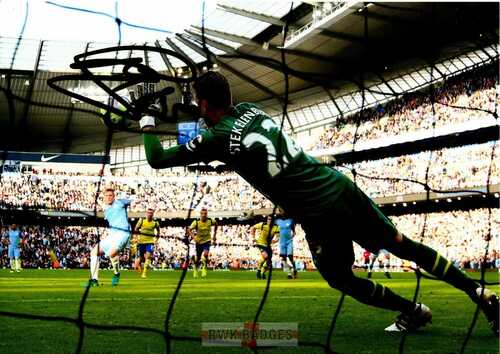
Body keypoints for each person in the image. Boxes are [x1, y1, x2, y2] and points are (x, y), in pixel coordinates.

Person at [139, 71, 498, 334]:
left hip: (317, 210)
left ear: (202, 103)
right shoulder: (250, 109)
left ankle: (413, 311)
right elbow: (224, 124)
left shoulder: (216, 139)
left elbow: (157, 158)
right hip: (339, 187)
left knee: (340, 278)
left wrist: (147, 119)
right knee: (402, 244)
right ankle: (478, 291)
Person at [88, 188, 132, 287]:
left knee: (112, 253)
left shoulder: (120, 203)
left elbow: (132, 199)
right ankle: (94, 280)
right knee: (94, 252)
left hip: (124, 233)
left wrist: (133, 200)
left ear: (114, 196)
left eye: (110, 195)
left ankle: (116, 273)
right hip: (112, 235)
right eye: (106, 195)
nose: (108, 197)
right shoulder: (105, 209)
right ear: (104, 197)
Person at [189, 208, 218, 278]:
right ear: (200, 214)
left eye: (205, 214)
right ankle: (196, 269)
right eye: (202, 214)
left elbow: (216, 224)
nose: (204, 215)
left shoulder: (210, 221)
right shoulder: (196, 222)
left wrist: (214, 235)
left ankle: (204, 267)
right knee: (198, 258)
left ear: (207, 214)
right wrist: (194, 237)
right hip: (199, 242)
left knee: (206, 254)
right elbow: (189, 230)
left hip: (207, 241)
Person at [250, 215, 280, 279]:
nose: (269, 221)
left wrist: (275, 240)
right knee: (266, 256)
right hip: (260, 243)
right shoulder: (263, 225)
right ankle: (258, 271)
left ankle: (262, 273)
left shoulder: (276, 227)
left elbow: (278, 236)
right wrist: (253, 237)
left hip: (268, 245)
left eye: (271, 219)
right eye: (268, 219)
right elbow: (253, 228)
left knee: (268, 261)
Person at [134, 208, 160, 278]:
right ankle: (137, 266)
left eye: (151, 213)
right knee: (141, 258)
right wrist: (136, 237)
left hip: (150, 242)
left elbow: (158, 232)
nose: (149, 214)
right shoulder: (142, 220)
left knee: (148, 256)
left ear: (153, 214)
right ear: (146, 213)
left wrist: (156, 240)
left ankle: (144, 273)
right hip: (141, 242)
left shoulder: (155, 223)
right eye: (148, 213)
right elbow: (136, 229)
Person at [274, 214, 297, 279]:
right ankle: (289, 273)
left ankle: (294, 268)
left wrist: (292, 236)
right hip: (282, 243)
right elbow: (274, 229)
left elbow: (294, 231)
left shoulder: (290, 221)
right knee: (283, 258)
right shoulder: (278, 221)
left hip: (289, 241)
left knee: (290, 256)